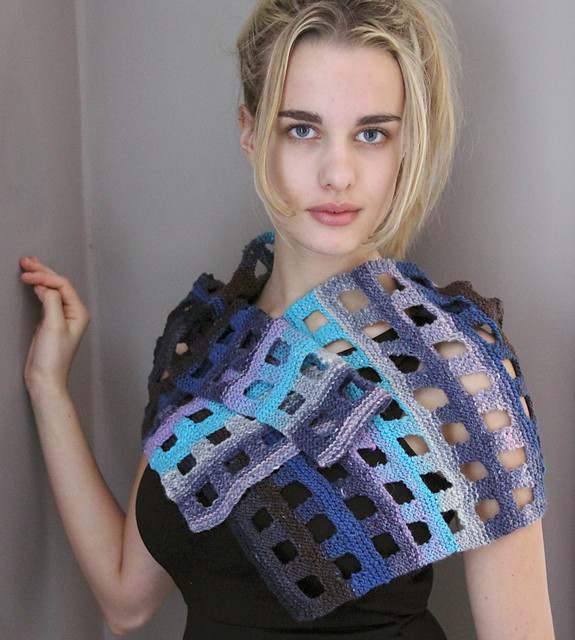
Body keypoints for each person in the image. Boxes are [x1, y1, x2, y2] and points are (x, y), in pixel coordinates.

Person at [19, 0, 555, 638]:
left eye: (372, 134)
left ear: (406, 144)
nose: (338, 174)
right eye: (302, 129)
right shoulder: (209, 349)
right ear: (250, 131)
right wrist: (48, 387)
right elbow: (124, 600)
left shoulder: (455, 369)